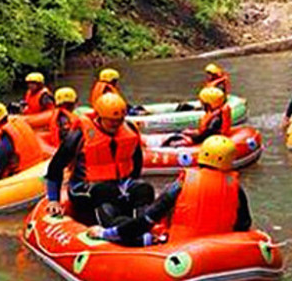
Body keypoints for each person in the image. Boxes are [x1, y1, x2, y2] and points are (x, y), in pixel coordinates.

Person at [86, 135, 251, 246]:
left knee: (122, 221)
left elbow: (147, 219)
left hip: (181, 249)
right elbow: (244, 225)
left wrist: (105, 233)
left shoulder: (181, 185)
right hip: (220, 249)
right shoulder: (236, 188)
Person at [44, 93, 154, 226]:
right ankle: (114, 228)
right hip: (84, 187)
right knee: (104, 191)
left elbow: (137, 162)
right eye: (111, 121)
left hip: (119, 184)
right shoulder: (80, 135)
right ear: (100, 117)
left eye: (119, 120)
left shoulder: (129, 130)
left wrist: (132, 185)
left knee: (144, 188)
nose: (116, 124)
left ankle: (143, 225)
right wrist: (53, 199)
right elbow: (55, 166)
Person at [165, 87, 233, 147]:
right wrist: (194, 132)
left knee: (173, 141)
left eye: (203, 103)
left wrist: (191, 139)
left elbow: (209, 134)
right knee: (179, 134)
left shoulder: (217, 118)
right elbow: (204, 131)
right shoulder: (214, 112)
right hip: (207, 136)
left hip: (213, 140)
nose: (202, 104)